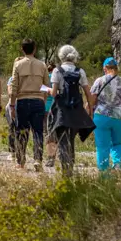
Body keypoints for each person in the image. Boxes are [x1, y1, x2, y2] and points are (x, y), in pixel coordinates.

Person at [50, 45, 96, 176]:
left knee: (63, 140)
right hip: (76, 111)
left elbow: (53, 93)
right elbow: (88, 93)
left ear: (61, 56)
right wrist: (90, 112)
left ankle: (66, 171)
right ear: (74, 55)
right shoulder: (80, 71)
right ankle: (70, 166)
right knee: (71, 139)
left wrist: (47, 90)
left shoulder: (57, 71)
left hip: (62, 111)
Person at [8, 39, 49, 170]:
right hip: (38, 100)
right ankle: (38, 159)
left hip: (22, 100)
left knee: (21, 132)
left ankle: (20, 161)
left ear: (22, 49)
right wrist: (43, 98)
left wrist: (12, 105)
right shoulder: (42, 65)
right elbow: (47, 86)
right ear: (35, 49)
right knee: (38, 131)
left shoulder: (18, 65)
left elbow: (14, 86)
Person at [91, 57, 121, 172]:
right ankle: (117, 163)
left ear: (105, 68)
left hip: (102, 116)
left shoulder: (99, 81)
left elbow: (92, 100)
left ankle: (104, 173)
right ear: (116, 68)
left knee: (102, 146)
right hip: (120, 118)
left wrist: (88, 114)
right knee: (117, 143)